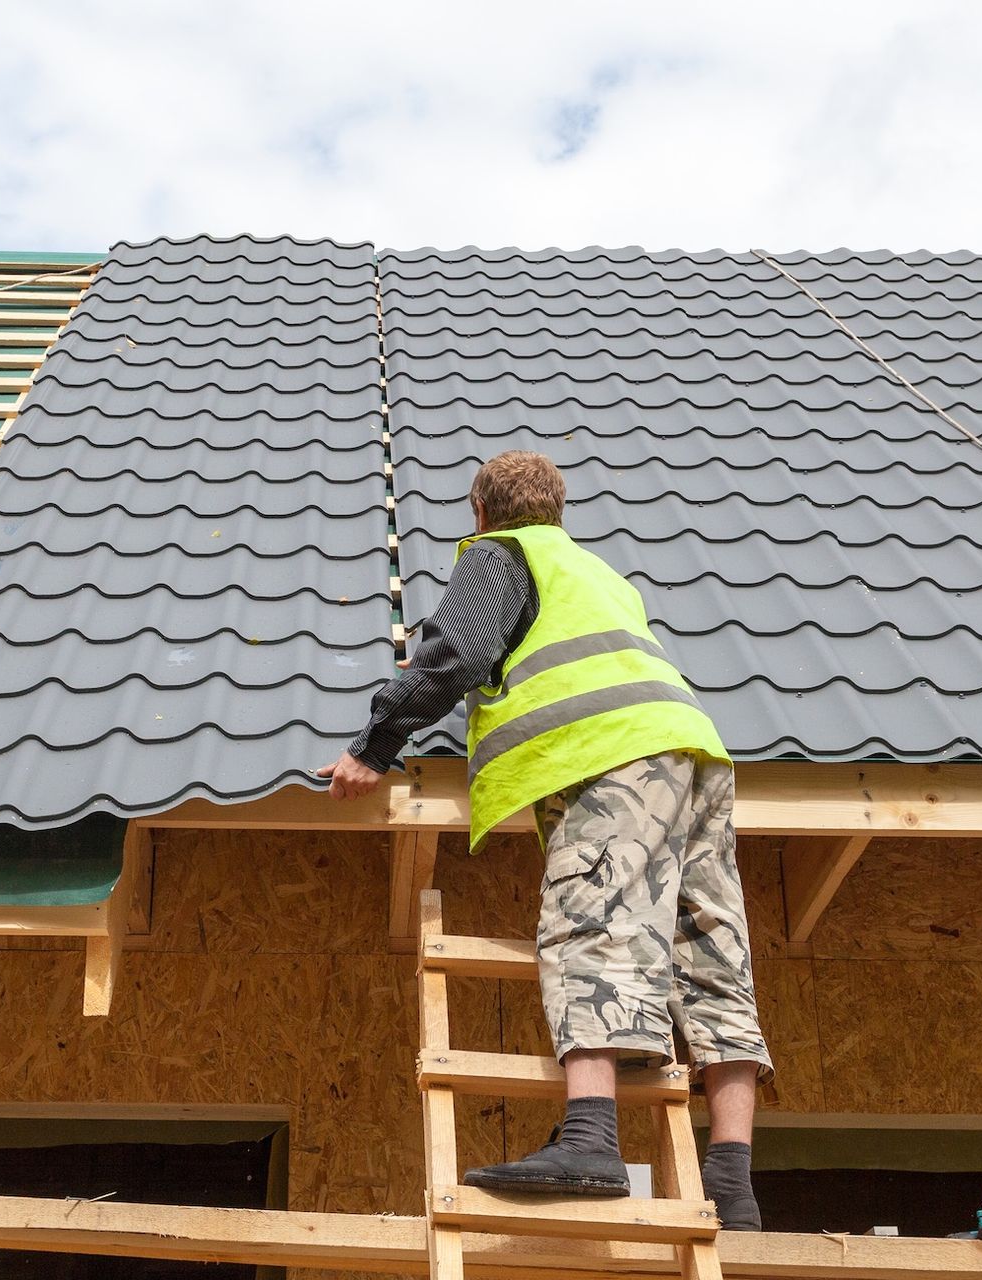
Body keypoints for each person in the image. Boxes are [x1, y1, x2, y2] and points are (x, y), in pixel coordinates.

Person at [316, 450, 773, 1231]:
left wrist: (375, 745)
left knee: (590, 923)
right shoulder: (600, 576)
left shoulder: (500, 555)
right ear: (558, 512)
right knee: (711, 955)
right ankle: (733, 1188)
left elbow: (456, 654)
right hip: (693, 752)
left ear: (481, 513)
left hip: (612, 757)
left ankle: (591, 1139)